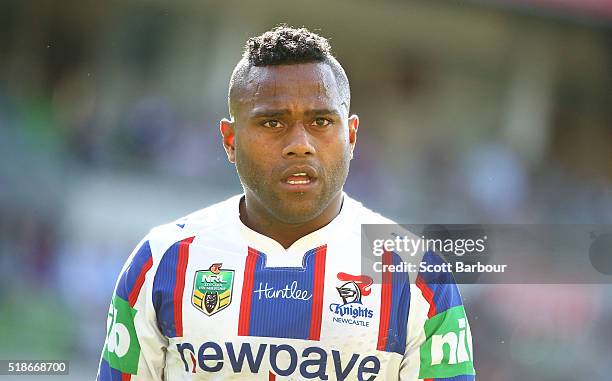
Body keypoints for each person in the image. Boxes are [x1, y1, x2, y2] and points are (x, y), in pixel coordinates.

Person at [96, 26, 475, 380]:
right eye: (272, 123)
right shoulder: (162, 259)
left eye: (322, 121)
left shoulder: (416, 274)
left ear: (352, 135)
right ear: (230, 140)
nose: (300, 143)